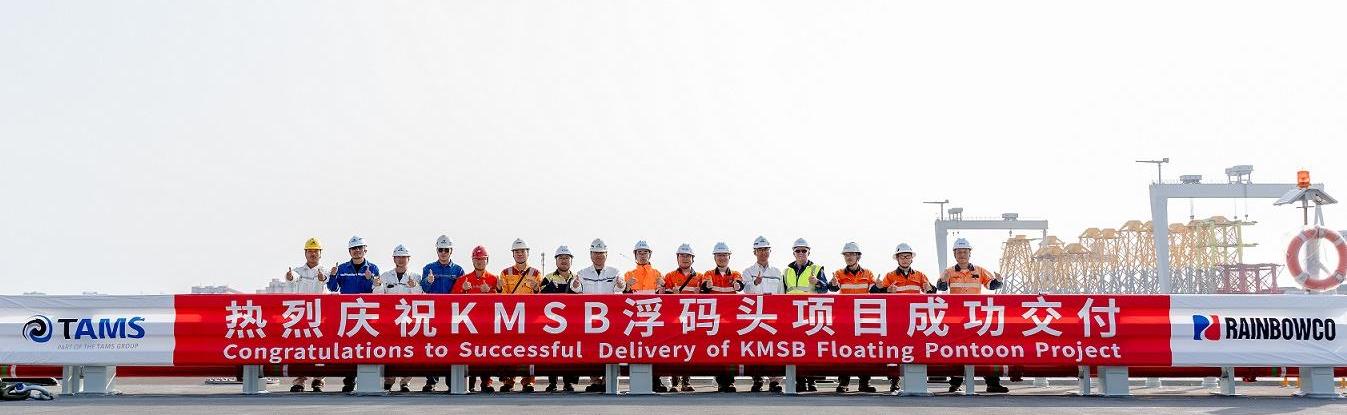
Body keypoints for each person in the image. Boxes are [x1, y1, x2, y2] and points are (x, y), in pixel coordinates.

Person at [938, 238, 1008, 394]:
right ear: (954, 254)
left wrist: (998, 280)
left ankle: (992, 383)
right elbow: (941, 287)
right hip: (957, 318)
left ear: (970, 253)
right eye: (959, 252)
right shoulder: (949, 271)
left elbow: (991, 285)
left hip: (976, 317)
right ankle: (955, 384)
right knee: (957, 350)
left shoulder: (979, 270)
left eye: (965, 252)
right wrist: (942, 281)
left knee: (985, 349)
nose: (962, 255)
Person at [876, 242, 934, 393]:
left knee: (916, 349)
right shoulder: (890, 276)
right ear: (897, 259)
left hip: (915, 320)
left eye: (907, 257)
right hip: (896, 319)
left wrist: (929, 289)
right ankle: (894, 380)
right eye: (902, 257)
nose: (905, 259)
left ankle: (918, 379)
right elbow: (879, 293)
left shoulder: (920, 275)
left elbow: (931, 292)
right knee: (894, 351)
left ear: (912, 258)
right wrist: (887, 290)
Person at [327, 235, 379, 392]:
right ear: (349, 251)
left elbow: (377, 289)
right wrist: (333, 275)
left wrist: (371, 279)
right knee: (349, 348)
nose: (357, 251)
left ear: (365, 250)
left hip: (366, 314)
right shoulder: (342, 268)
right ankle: (349, 379)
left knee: (366, 347)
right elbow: (333, 288)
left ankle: (367, 379)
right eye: (353, 248)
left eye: (359, 248)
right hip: (348, 313)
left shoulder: (373, 268)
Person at [827, 242, 878, 393]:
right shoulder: (838, 273)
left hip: (863, 319)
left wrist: (879, 285)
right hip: (845, 319)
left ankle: (864, 383)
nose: (848, 257)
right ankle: (843, 382)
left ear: (858, 256)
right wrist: (833, 284)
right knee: (844, 351)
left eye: (852, 254)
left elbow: (874, 290)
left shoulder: (868, 274)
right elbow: (833, 287)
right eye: (846, 255)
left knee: (865, 350)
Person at [782, 238, 828, 392]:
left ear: (809, 252)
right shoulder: (787, 271)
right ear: (793, 253)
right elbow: (782, 293)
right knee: (796, 349)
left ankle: (811, 380)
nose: (801, 253)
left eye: (804, 250)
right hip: (793, 316)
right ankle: (800, 381)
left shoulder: (816, 268)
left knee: (811, 349)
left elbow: (825, 289)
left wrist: (817, 282)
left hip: (810, 314)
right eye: (798, 251)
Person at [622, 240, 668, 391]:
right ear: (635, 255)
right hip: (635, 319)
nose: (642, 255)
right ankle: (636, 381)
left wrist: (662, 286)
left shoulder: (657, 274)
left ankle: (656, 380)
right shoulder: (628, 274)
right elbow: (624, 298)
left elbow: (663, 298)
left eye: (645, 252)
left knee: (655, 350)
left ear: (649, 255)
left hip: (653, 318)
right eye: (639, 253)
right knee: (636, 349)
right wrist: (627, 287)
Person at [374, 244, 421, 392]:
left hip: (409, 322)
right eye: (398, 257)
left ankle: (405, 382)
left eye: (403, 257)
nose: (401, 260)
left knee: (408, 352)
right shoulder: (385, 276)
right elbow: (377, 296)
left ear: (408, 259)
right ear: (394, 259)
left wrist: (414, 286)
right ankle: (389, 380)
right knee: (391, 351)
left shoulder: (416, 276)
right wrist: (377, 285)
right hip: (390, 322)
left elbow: (421, 297)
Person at [420, 235, 464, 392]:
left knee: (451, 348)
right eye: (441, 250)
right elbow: (424, 288)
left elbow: (462, 293)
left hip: (452, 315)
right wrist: (429, 281)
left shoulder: (458, 270)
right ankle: (431, 381)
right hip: (433, 315)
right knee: (431, 348)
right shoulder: (429, 268)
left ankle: (452, 382)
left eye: (446, 250)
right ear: (437, 250)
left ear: (451, 251)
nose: (443, 253)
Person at [576, 238, 621, 392]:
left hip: (609, 320)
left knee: (610, 349)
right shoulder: (582, 273)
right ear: (591, 255)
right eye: (595, 253)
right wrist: (575, 284)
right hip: (589, 320)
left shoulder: (615, 272)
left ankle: (608, 380)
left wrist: (622, 284)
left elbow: (619, 289)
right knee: (591, 350)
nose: (598, 256)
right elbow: (577, 290)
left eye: (601, 253)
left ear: (606, 255)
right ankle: (595, 380)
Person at [497, 238, 542, 392]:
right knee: (510, 349)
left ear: (527, 253)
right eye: (517, 251)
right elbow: (502, 296)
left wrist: (536, 290)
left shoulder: (536, 273)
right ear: (513, 254)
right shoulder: (505, 273)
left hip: (529, 319)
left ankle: (528, 381)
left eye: (522, 251)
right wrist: (499, 289)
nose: (520, 254)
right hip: (511, 318)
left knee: (529, 350)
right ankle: (509, 380)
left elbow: (541, 298)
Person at [284, 237, 328, 392]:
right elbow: (292, 279)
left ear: (320, 253)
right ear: (305, 253)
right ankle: (299, 380)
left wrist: (323, 278)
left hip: (320, 316)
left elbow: (329, 284)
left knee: (320, 349)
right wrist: (289, 276)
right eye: (310, 251)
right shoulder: (298, 271)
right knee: (300, 349)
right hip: (301, 315)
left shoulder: (326, 271)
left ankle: (318, 380)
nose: (313, 254)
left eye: (315, 251)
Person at [453, 245, 499, 392]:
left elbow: (502, 302)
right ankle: (470, 383)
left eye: (482, 259)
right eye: (476, 259)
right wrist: (463, 290)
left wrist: (490, 292)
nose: (479, 262)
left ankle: (486, 382)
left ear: (487, 260)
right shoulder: (463, 280)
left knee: (486, 354)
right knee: (469, 353)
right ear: (472, 260)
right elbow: (450, 301)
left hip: (487, 325)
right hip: (468, 325)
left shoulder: (494, 279)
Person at [741, 236, 784, 392]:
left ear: (770, 251)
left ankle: (775, 381)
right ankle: (757, 379)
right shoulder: (748, 272)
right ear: (755, 252)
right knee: (755, 348)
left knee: (774, 348)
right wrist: (755, 283)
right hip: (755, 316)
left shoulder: (777, 272)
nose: (763, 252)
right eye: (760, 250)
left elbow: (781, 294)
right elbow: (745, 291)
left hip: (772, 317)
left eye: (766, 249)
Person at [700, 242, 744, 392]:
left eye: (724, 255)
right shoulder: (709, 274)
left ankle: (730, 381)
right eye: (719, 255)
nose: (722, 258)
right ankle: (720, 381)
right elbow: (704, 287)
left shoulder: (735, 273)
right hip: (715, 321)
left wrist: (738, 285)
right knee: (716, 351)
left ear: (729, 256)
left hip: (731, 321)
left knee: (730, 351)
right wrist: (707, 285)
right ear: (715, 257)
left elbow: (740, 284)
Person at [540, 245, 582, 392]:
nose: (564, 260)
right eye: (561, 258)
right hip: (552, 323)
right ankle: (552, 383)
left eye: (566, 258)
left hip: (572, 323)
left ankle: (568, 382)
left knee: (570, 353)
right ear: (556, 260)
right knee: (552, 353)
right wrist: (550, 287)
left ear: (571, 260)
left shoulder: (577, 278)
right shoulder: (548, 278)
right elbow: (541, 297)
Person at [660, 243, 702, 392]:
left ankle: (686, 381)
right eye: (682, 256)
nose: (685, 258)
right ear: (677, 258)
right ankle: (675, 382)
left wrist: (699, 294)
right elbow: (664, 299)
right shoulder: (669, 276)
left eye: (688, 256)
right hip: (675, 319)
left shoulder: (700, 276)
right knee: (674, 351)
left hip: (692, 319)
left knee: (689, 351)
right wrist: (673, 295)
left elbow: (707, 298)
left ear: (692, 259)